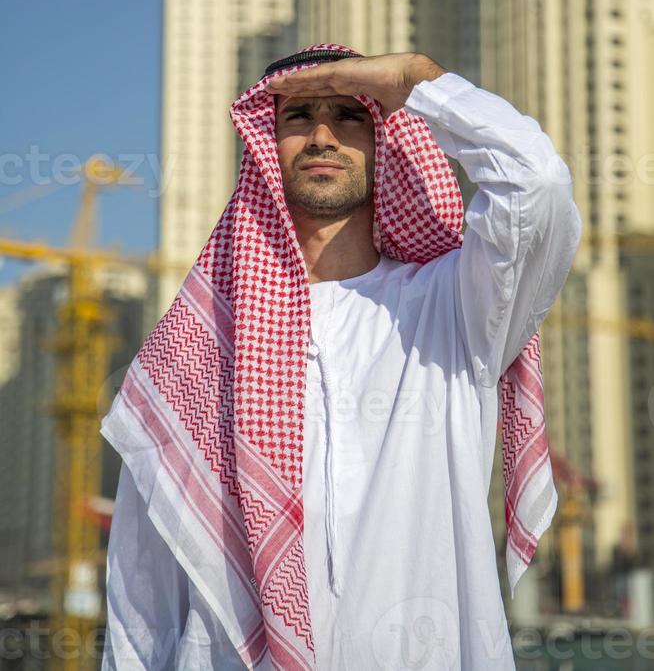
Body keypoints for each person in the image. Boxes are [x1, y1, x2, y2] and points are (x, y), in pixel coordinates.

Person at [100, 45, 582, 670]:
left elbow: (535, 183)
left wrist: (413, 79)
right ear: (264, 146)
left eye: (350, 116)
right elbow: (143, 604)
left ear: (387, 141)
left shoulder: (452, 309)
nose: (322, 135)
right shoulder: (195, 348)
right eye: (298, 115)